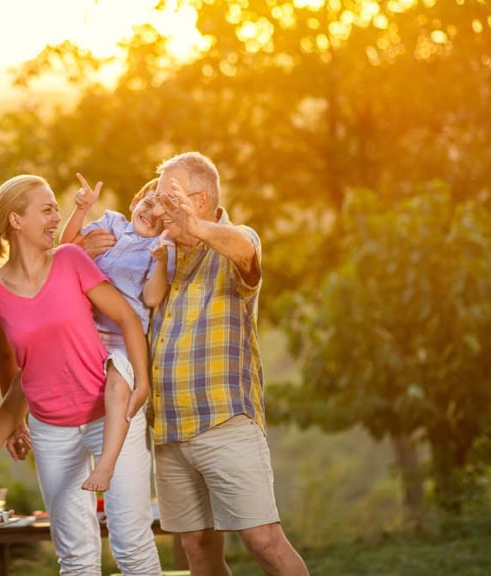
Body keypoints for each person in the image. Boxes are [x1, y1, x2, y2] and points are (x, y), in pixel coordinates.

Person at [0, 174, 162, 575]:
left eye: (56, 211)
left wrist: (141, 381)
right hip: (51, 431)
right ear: (16, 220)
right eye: (47, 210)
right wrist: (16, 424)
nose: (55, 218)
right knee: (76, 557)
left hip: (110, 412)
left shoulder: (70, 260)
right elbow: (9, 361)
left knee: (131, 546)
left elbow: (127, 317)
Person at [147, 152, 309, 575]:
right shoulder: (161, 256)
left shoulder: (235, 241)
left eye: (168, 197)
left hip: (224, 423)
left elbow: (246, 250)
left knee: (263, 540)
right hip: (169, 429)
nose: (158, 206)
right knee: (198, 549)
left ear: (199, 201)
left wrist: (196, 229)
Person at [55, 173, 173, 491]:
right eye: (149, 204)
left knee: (119, 383)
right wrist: (81, 209)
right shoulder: (111, 223)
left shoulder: (159, 249)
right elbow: (64, 252)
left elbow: (151, 298)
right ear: (136, 201)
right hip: (87, 331)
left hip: (123, 339)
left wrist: (161, 262)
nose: (153, 215)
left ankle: (105, 467)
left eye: (163, 218)